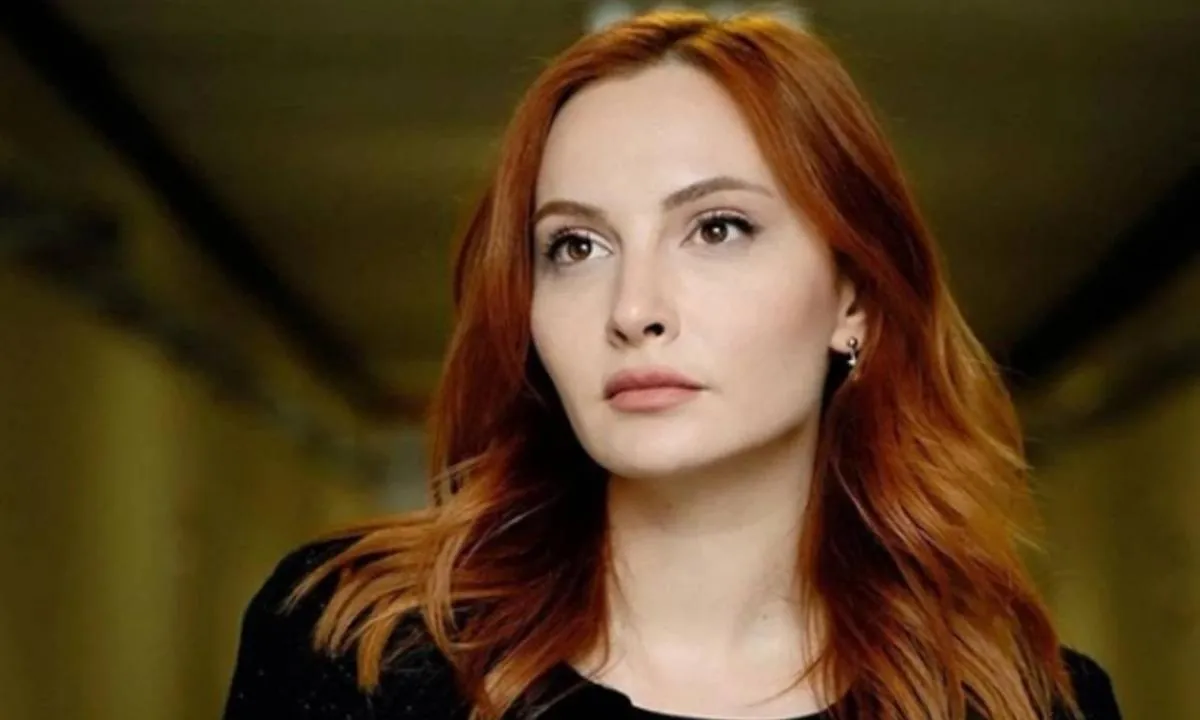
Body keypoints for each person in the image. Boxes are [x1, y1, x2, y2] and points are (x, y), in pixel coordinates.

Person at [222, 9, 1122, 720]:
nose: (633, 310)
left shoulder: (1024, 704)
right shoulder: (358, 653)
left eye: (718, 228)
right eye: (576, 246)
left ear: (855, 300)